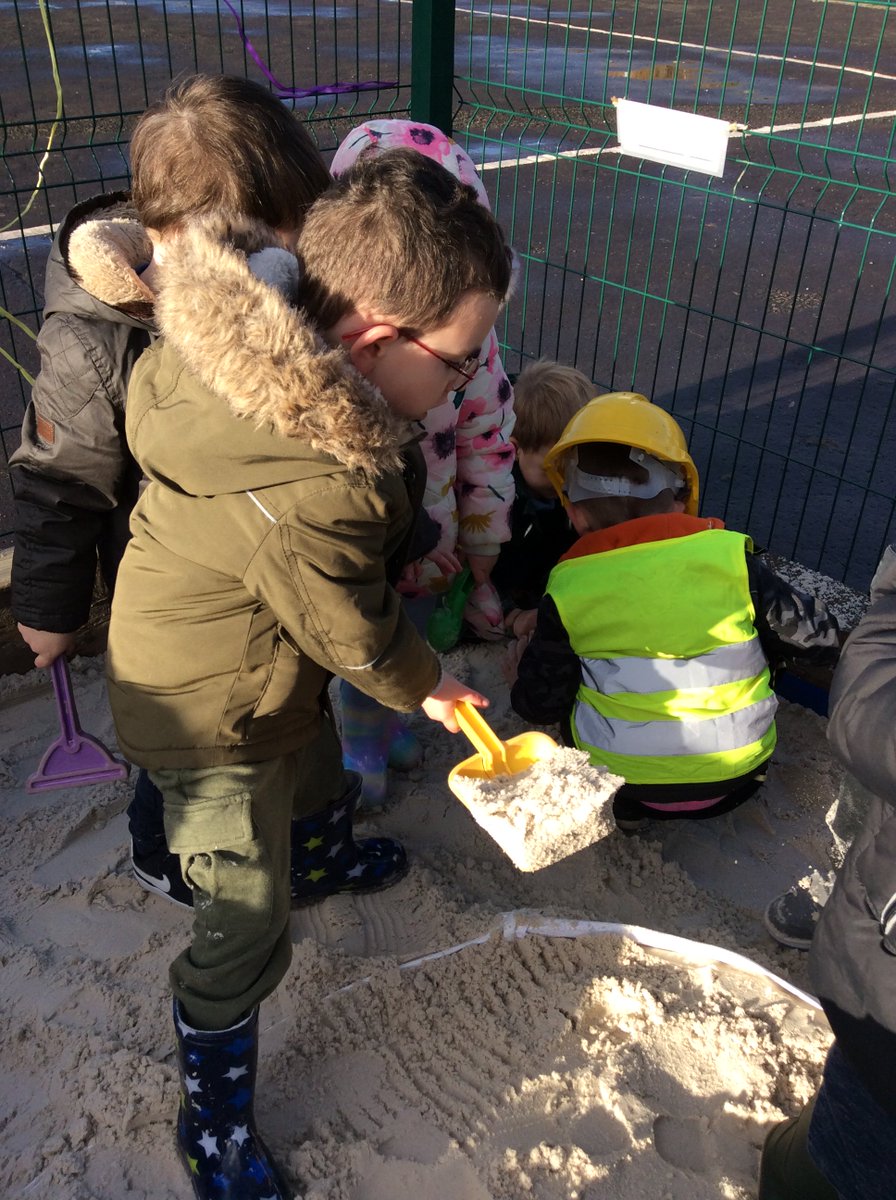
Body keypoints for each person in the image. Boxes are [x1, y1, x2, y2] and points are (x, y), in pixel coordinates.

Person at [105, 148, 513, 1198]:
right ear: (374, 342)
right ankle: (216, 1127)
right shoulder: (312, 472)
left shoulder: (238, 353)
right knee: (243, 910)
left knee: (319, 770)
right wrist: (430, 684)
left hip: (244, 646)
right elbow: (350, 629)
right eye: (460, 363)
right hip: (212, 708)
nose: (467, 380)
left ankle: (324, 859)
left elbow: (340, 555)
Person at [9, 73, 331, 908]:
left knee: (277, 703)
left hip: (260, 562)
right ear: (184, 238)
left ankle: (297, 831)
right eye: (274, 243)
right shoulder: (94, 338)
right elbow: (60, 481)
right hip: (160, 582)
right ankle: (159, 850)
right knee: (180, 735)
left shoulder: (281, 290)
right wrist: (48, 607)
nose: (286, 265)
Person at [508, 392, 841, 830]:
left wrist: (520, 676)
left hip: (622, 783)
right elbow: (823, 641)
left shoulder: (567, 586)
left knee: (572, 675)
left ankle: (630, 817)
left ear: (575, 515)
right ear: (683, 497)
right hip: (740, 776)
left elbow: (540, 704)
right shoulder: (732, 561)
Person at [329, 119, 518, 804]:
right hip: (353, 557)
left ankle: (393, 729)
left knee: (408, 644)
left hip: (427, 541)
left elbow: (490, 438)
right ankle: (362, 757)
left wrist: (484, 539)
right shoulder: (330, 366)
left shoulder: (469, 351)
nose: (461, 368)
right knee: (363, 656)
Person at [758, 544, 896, 1200]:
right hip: (742, 769)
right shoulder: (734, 557)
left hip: (884, 1009)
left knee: (831, 1157)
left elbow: (868, 716)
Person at [490, 357, 595, 640]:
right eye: (554, 469)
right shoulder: (493, 497)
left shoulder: (578, 488)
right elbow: (471, 576)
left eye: (576, 464)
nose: (567, 480)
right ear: (514, 451)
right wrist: (512, 616)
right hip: (508, 585)